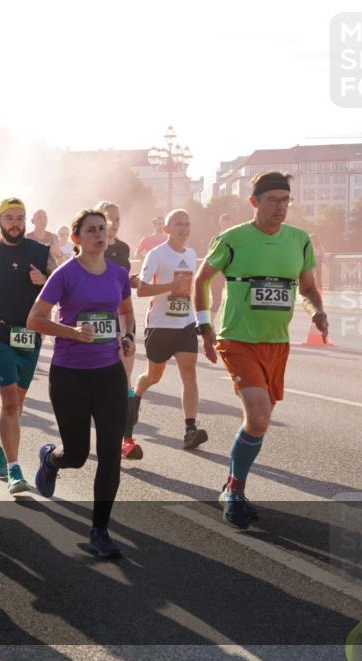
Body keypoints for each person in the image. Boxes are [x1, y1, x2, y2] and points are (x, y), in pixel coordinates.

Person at [193, 171, 328, 530]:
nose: (280, 207)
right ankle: (234, 492)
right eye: (272, 200)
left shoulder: (299, 240)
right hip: (237, 339)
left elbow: (307, 288)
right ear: (254, 202)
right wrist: (204, 326)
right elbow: (201, 280)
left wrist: (317, 311)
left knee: (259, 421)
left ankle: (232, 484)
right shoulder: (232, 238)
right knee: (258, 415)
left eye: (285, 201)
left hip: (276, 343)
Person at [29, 208, 135, 558]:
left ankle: (99, 531)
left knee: (110, 455)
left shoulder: (118, 274)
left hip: (109, 373)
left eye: (102, 229)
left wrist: (127, 336)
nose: (99, 234)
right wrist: (72, 332)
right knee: (76, 455)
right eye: (91, 230)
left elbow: (126, 312)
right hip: (70, 374)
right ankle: (51, 460)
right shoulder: (65, 274)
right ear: (76, 239)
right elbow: (35, 320)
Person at [0, 198, 55, 493]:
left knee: (17, 404)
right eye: (10, 218)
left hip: (29, 335)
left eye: (20, 218)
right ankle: (15, 470)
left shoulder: (41, 251)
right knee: (10, 400)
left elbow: (61, 284)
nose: (15, 224)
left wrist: (45, 279)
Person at [124, 209, 207, 458]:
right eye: (178, 224)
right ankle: (136, 395)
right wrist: (171, 285)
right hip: (160, 324)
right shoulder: (157, 254)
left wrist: (201, 318)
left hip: (185, 323)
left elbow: (191, 289)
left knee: (189, 373)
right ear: (167, 229)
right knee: (154, 376)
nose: (184, 228)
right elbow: (142, 290)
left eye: (187, 224)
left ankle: (190, 429)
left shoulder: (191, 254)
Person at [98, 201, 140, 406]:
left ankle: (126, 419)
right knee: (100, 373)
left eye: (117, 219)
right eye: (109, 218)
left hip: (123, 313)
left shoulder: (123, 248)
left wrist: (131, 281)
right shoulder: (90, 248)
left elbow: (122, 280)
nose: (114, 223)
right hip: (98, 316)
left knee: (125, 373)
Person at [208, 213, 235, 324]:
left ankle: (229, 324)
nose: (227, 224)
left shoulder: (236, 238)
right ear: (220, 223)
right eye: (224, 221)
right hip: (217, 274)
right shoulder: (215, 238)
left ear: (232, 223)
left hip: (231, 274)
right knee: (216, 301)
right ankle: (210, 325)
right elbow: (209, 256)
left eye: (229, 221)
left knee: (233, 300)